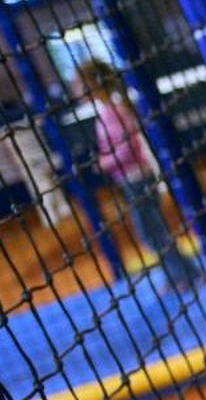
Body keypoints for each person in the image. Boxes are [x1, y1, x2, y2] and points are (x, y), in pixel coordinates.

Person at [80, 59, 197, 289]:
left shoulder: (111, 112)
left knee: (151, 233)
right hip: (135, 178)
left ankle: (185, 275)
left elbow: (125, 147)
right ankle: (181, 275)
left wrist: (103, 163)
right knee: (153, 231)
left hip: (136, 178)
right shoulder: (113, 108)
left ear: (92, 84)